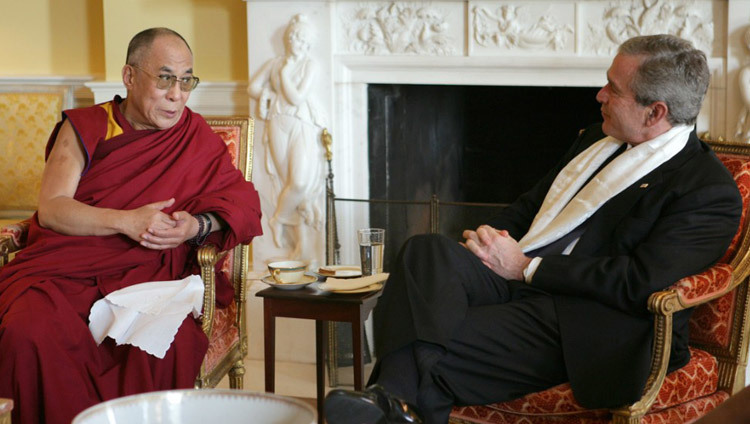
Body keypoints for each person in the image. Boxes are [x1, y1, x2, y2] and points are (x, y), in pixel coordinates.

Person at [324, 34, 743, 424]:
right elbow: (530, 208)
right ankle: (394, 405)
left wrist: (527, 267)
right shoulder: (597, 140)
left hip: (588, 319)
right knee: (425, 250)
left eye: (613, 89)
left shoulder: (706, 190)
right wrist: (490, 242)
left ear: (656, 112)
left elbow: (638, 280)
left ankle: (388, 401)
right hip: (522, 279)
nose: (599, 95)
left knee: (431, 334)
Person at [0, 28, 262, 424]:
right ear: (129, 76)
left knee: (161, 349)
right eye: (165, 78)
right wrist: (127, 222)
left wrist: (195, 226)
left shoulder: (196, 138)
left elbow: (241, 202)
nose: (177, 94)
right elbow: (53, 209)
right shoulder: (87, 126)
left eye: (186, 80)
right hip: (64, 271)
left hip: (150, 278)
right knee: (27, 333)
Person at [248, 13, 326, 259]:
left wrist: (283, 74)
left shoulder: (308, 65)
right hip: (277, 124)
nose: (297, 44)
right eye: (294, 39)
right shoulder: (275, 63)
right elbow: (252, 87)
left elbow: (296, 97)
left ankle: (278, 219)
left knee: (301, 183)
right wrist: (266, 95)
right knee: (285, 183)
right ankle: (301, 248)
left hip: (301, 125)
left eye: (303, 41)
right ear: (288, 39)